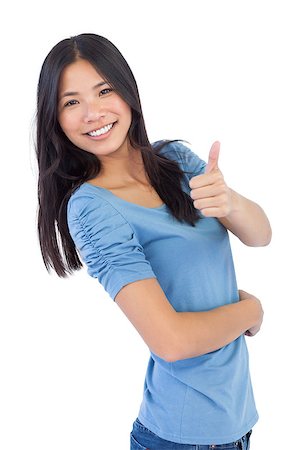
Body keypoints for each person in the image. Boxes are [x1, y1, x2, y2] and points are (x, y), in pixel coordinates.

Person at [35, 33, 271, 449]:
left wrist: (229, 201)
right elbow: (172, 342)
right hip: (182, 437)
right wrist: (250, 309)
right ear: (55, 118)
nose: (92, 113)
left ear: (128, 93)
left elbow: (260, 235)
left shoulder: (176, 161)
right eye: (71, 102)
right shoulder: (91, 207)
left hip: (237, 423)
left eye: (104, 90)